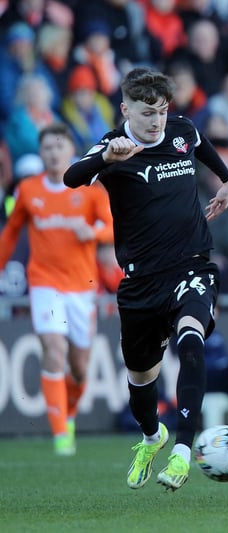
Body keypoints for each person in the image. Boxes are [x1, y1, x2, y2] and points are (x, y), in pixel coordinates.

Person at [63, 67, 228, 492]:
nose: (156, 120)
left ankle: (181, 452)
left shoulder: (182, 131)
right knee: (141, 380)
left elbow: (210, 157)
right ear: (126, 109)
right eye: (146, 113)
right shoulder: (114, 145)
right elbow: (72, 177)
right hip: (141, 282)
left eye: (161, 111)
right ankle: (151, 436)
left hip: (191, 265)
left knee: (191, 339)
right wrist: (106, 158)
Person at [0, 122, 114, 456]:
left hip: (82, 287)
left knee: (79, 367)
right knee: (53, 348)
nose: (53, 154)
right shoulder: (29, 190)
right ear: (41, 152)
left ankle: (71, 413)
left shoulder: (91, 189)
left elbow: (112, 228)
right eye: (47, 148)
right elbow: (11, 233)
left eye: (59, 147)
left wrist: (91, 232)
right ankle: (61, 435)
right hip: (44, 283)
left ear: (71, 151)